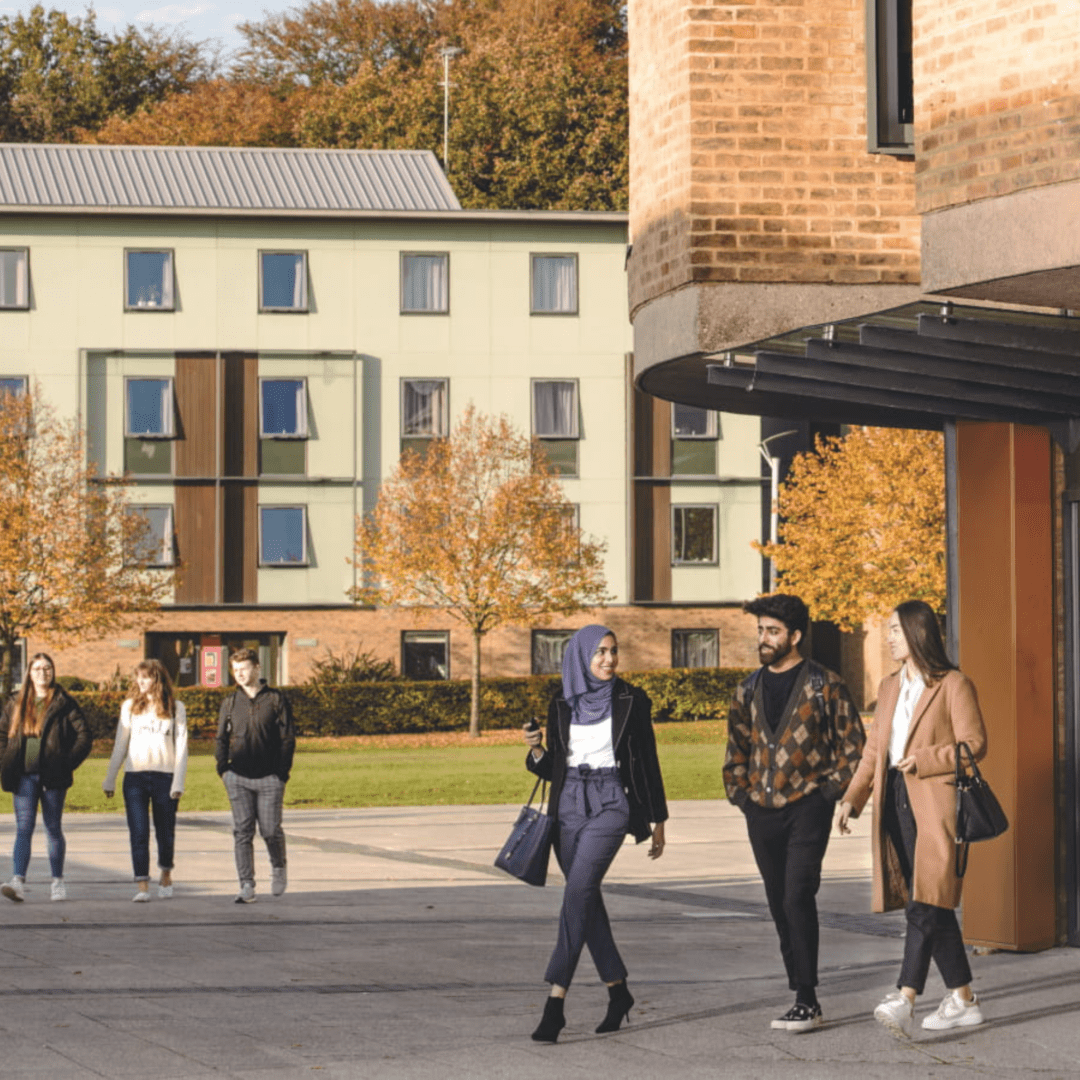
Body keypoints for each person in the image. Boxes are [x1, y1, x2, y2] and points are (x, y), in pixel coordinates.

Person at [838, 600, 988, 1037]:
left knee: (926, 900)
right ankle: (964, 999)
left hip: (935, 803)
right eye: (888, 631)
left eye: (895, 631)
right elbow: (873, 751)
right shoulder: (887, 687)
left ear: (918, 633)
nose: (888, 638)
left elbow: (974, 744)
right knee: (928, 902)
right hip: (894, 800)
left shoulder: (953, 685)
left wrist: (925, 759)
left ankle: (904, 995)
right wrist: (852, 798)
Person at [723, 594, 865, 1032]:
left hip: (808, 807)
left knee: (796, 895)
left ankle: (808, 999)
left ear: (796, 636)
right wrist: (742, 797)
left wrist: (827, 794)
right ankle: (799, 987)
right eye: (761, 630)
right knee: (777, 902)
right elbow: (736, 753)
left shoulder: (826, 685)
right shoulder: (746, 689)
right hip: (760, 811)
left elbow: (854, 749)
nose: (763, 639)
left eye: (772, 631)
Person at [522, 624, 668, 1044]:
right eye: (599, 652)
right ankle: (618, 991)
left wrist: (658, 819)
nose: (608, 659)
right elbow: (556, 767)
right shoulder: (562, 702)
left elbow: (647, 761)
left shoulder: (632, 700)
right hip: (568, 804)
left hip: (611, 803)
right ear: (580, 657)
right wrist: (535, 749)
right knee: (586, 901)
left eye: (613, 651)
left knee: (578, 890)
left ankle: (555, 1003)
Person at [0, 654, 92, 902]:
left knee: (53, 829)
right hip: (23, 777)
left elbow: (84, 737)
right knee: (24, 828)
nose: (43, 673)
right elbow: (2, 734)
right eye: (38, 668)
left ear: (53, 672)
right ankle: (17, 881)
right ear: (29, 672)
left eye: (47, 668)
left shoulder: (65, 703)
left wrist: (65, 763)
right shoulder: (15, 702)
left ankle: (57, 882)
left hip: (53, 777)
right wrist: (5, 760)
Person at [103, 660, 189, 901]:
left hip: (165, 777)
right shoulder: (129, 707)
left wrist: (178, 783)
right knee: (138, 831)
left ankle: (166, 874)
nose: (140, 682)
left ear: (157, 679)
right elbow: (120, 745)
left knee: (165, 831)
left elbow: (181, 748)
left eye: (146, 677)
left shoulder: (175, 707)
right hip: (135, 779)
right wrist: (110, 778)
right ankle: (142, 884)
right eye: (138, 677)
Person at [215, 648, 296, 904]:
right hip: (237, 778)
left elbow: (287, 738)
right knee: (242, 831)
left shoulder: (275, 699)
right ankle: (246, 885)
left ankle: (279, 866)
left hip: (270, 778)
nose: (239, 674)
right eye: (235, 670)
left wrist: (281, 773)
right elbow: (221, 738)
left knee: (271, 830)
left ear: (257, 668)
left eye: (244, 669)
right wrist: (223, 769)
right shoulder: (229, 702)